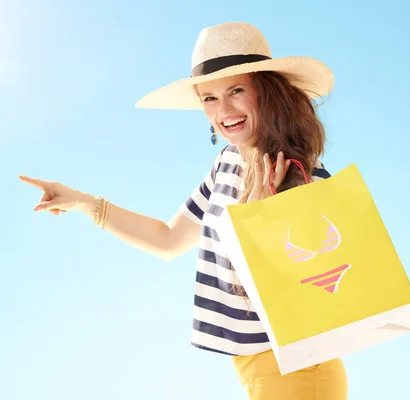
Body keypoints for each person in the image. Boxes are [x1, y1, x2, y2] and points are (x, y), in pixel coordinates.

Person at [20, 22, 347, 400]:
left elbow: (312, 290)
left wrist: (260, 216)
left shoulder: (298, 174)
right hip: (255, 370)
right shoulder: (226, 163)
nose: (223, 110)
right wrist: (84, 202)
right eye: (208, 98)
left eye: (236, 90)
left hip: (298, 368)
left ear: (265, 90)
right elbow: (168, 240)